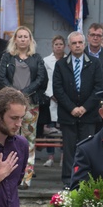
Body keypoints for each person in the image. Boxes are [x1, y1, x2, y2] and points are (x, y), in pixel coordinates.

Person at [52, 30, 103, 186]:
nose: (77, 45)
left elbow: (98, 88)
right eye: (74, 43)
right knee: (69, 149)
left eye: (80, 43)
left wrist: (84, 108)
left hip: (88, 115)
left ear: (85, 44)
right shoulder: (61, 64)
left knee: (87, 148)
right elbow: (58, 89)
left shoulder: (94, 63)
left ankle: (85, 180)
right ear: (69, 45)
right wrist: (72, 108)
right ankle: (69, 181)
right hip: (68, 114)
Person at [0, 25, 47, 188]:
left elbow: (40, 79)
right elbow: (1, 77)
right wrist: (14, 93)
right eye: (20, 36)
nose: (23, 39)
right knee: (10, 140)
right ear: (15, 39)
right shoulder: (7, 57)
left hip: (31, 105)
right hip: (10, 105)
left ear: (30, 40)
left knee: (29, 141)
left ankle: (26, 178)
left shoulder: (37, 58)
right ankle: (9, 176)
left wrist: (24, 92)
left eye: (26, 36)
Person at [40, 34, 65, 167]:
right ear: (52, 46)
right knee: (50, 130)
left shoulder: (68, 59)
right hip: (50, 97)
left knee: (63, 131)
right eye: (56, 44)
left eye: (61, 44)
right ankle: (50, 157)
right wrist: (50, 95)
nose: (58, 46)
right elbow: (45, 79)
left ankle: (62, 157)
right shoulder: (46, 60)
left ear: (64, 46)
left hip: (64, 99)